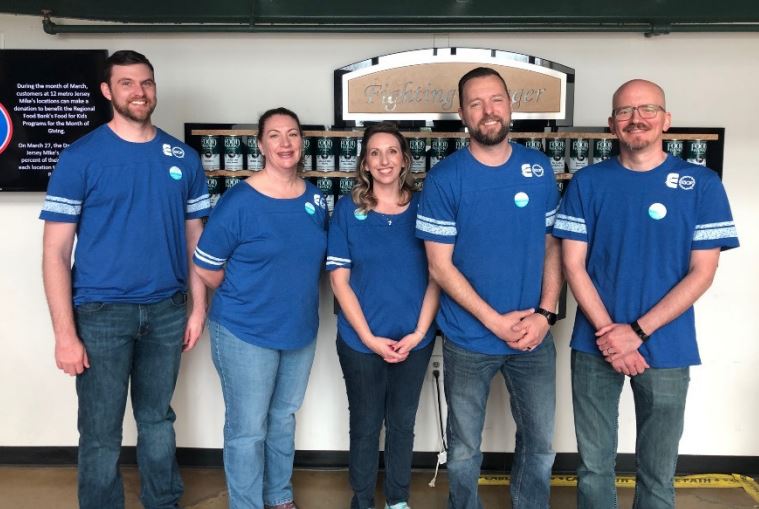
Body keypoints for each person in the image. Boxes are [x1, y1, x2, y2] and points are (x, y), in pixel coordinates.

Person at [553, 79, 739, 509]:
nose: (636, 119)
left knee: (658, 472)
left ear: (666, 121)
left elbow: (702, 273)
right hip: (594, 345)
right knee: (594, 468)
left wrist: (635, 332)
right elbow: (572, 266)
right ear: (612, 124)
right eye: (625, 111)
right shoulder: (587, 183)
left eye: (647, 109)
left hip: (668, 346)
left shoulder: (702, 184)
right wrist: (611, 335)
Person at [40, 50, 210, 509]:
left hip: (168, 310)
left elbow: (197, 241)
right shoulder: (81, 157)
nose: (140, 91)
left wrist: (198, 309)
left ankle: (163, 502)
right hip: (99, 315)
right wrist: (64, 334)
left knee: (158, 420)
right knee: (100, 430)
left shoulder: (183, 158)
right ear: (108, 91)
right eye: (128, 83)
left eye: (147, 82)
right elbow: (55, 252)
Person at [415, 67, 562, 509]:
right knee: (463, 449)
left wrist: (546, 313)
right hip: (468, 338)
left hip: (534, 337)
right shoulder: (445, 178)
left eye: (495, 99)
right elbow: (439, 267)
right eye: (476, 103)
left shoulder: (538, 169)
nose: (488, 111)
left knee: (539, 445)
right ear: (462, 114)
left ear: (510, 105)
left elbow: (552, 245)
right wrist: (495, 321)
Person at [192, 107, 327, 509]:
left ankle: (279, 497)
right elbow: (204, 266)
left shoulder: (315, 198)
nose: (285, 143)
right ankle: (247, 504)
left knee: (283, 420)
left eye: (292, 134)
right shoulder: (239, 202)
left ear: (302, 142)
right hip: (244, 332)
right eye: (274, 135)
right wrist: (243, 291)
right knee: (248, 429)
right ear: (260, 144)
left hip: (299, 330)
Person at [327, 122, 440, 509]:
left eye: (392, 151)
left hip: (415, 339)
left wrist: (420, 331)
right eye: (374, 152)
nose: (384, 160)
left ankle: (397, 500)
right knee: (364, 424)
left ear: (405, 159)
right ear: (365, 162)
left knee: (402, 424)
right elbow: (339, 282)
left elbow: (438, 276)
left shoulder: (427, 207)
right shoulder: (347, 209)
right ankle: (361, 499)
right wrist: (370, 338)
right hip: (360, 341)